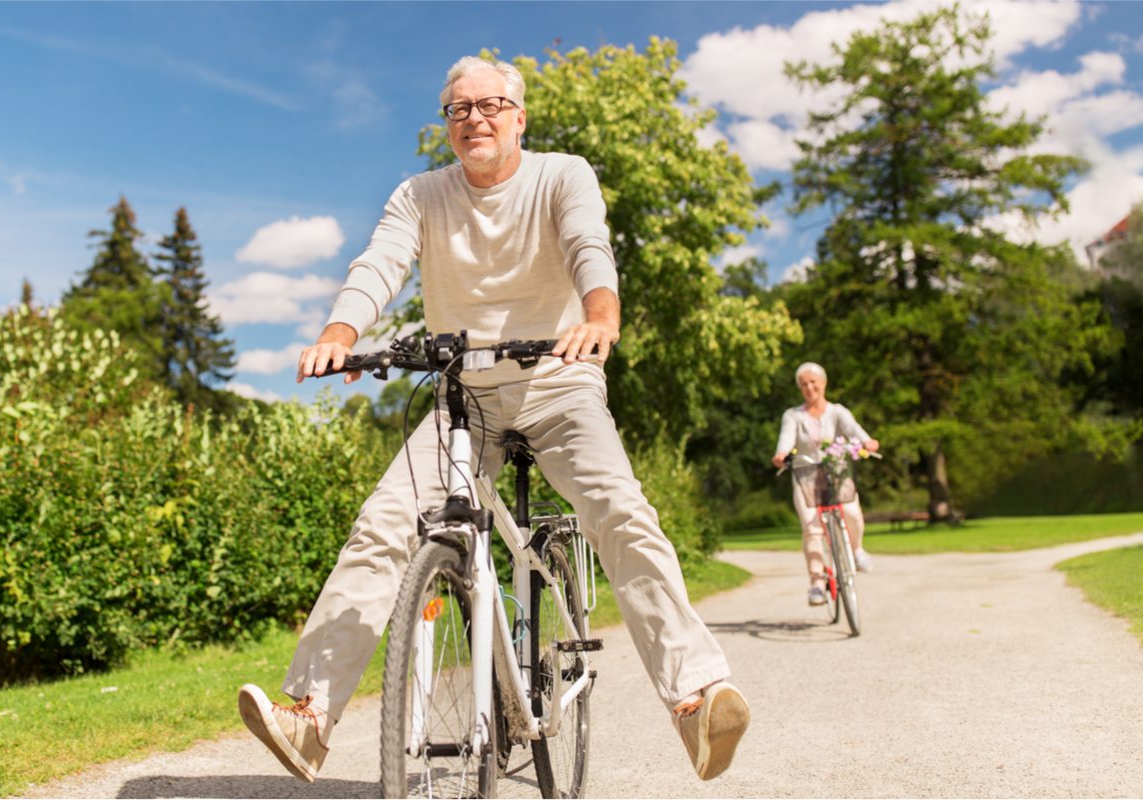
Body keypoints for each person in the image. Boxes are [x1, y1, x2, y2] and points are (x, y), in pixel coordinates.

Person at [236, 56, 749, 785]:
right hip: (463, 395)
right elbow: (378, 264)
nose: (475, 117)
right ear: (446, 124)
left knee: (620, 511)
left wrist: (601, 316)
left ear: (519, 117)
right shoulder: (420, 195)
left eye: (491, 104)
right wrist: (341, 334)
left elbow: (586, 246)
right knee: (385, 524)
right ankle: (310, 719)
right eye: (458, 109)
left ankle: (697, 700)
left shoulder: (561, 175)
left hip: (559, 381)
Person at [771, 362, 880, 605]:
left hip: (836, 472)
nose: (809, 388)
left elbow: (855, 431)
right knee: (812, 527)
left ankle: (857, 550)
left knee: (852, 511)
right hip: (805, 475)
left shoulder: (837, 411)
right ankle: (817, 582)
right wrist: (781, 455)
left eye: (813, 382)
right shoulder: (793, 415)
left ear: (824, 383)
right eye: (804, 384)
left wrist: (867, 442)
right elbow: (786, 440)